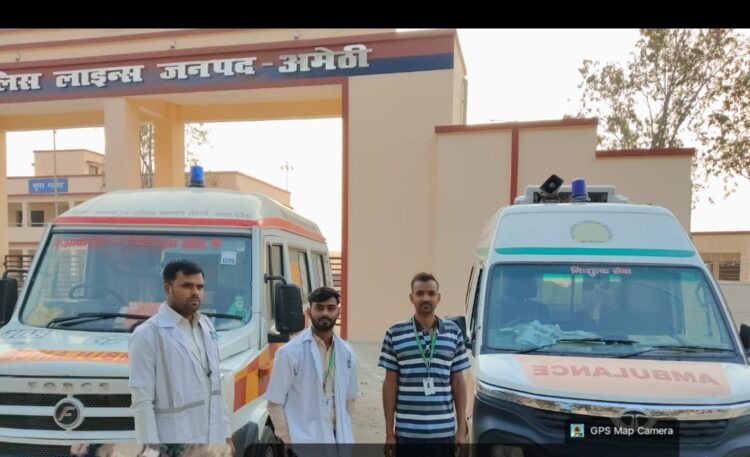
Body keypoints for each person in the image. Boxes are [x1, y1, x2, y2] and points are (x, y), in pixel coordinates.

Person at [128, 259, 234, 452]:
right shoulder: (148, 334)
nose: (195, 292)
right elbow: (141, 402)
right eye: (187, 286)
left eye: (199, 287)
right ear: (167, 288)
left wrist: (226, 435)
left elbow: (216, 389)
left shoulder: (206, 326)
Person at [379, 272, 470, 457]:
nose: (426, 298)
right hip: (407, 433)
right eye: (420, 293)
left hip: (444, 432)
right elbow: (390, 384)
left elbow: (458, 382)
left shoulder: (453, 333)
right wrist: (389, 433)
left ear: (439, 297)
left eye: (431, 293)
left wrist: (461, 429)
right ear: (411, 297)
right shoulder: (395, 333)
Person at [266, 286, 359, 450]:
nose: (325, 313)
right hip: (304, 442)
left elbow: (350, 399)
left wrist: (345, 430)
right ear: (309, 312)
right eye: (319, 308)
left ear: (338, 312)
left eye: (331, 308)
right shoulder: (289, 352)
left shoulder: (347, 352)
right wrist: (290, 441)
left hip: (338, 440)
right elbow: (274, 402)